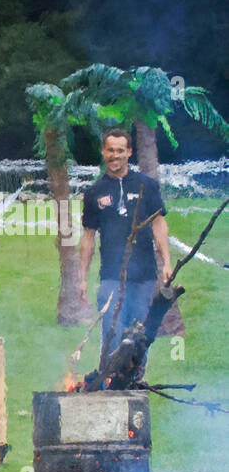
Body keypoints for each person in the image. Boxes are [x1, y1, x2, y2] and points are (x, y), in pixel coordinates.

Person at [78, 127, 172, 369]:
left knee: (139, 335)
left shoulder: (146, 185)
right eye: (110, 150)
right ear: (103, 152)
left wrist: (167, 263)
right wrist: (82, 278)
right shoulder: (94, 192)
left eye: (120, 150)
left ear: (129, 152)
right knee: (111, 331)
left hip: (144, 277)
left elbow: (159, 224)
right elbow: (88, 237)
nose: (115, 155)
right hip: (111, 276)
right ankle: (109, 382)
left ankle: (135, 382)